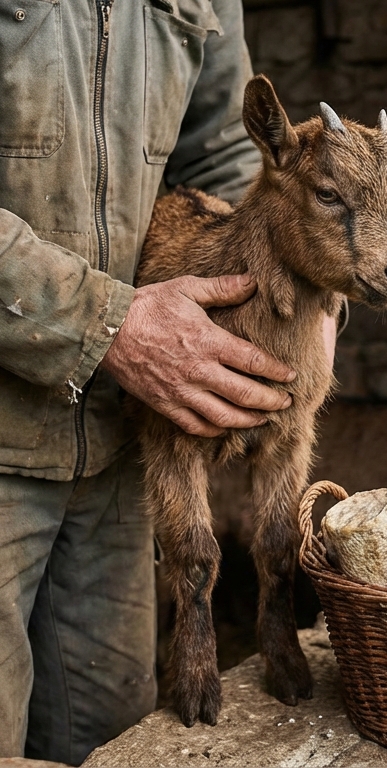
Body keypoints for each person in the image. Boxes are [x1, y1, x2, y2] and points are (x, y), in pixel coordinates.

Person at [0, 0, 333, 762]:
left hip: (126, 452)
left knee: (117, 738)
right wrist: (105, 324)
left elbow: (224, 156)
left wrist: (304, 296)